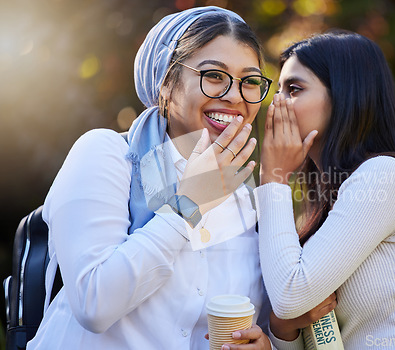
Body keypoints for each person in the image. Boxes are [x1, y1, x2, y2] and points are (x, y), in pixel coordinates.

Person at [27, 6, 293, 350]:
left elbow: (253, 323)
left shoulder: (247, 202)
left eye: (250, 81)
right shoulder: (107, 155)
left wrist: (264, 345)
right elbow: (93, 304)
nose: (234, 95)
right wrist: (188, 205)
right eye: (214, 75)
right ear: (166, 82)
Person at [255, 30, 395, 349]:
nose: (277, 103)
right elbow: (303, 318)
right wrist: (281, 328)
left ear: (345, 96)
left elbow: (289, 295)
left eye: (294, 89)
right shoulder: (331, 194)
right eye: (278, 90)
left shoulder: (386, 176)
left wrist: (273, 176)